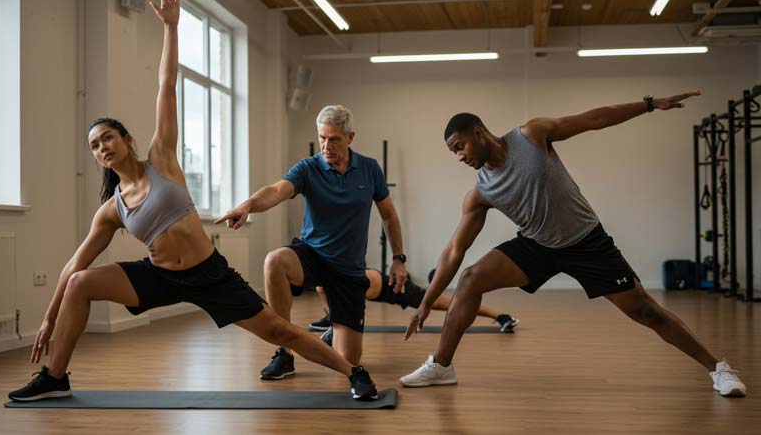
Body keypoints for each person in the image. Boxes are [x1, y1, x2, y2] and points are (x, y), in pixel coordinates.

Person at [8, 0, 377, 403]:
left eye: (108, 137)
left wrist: (171, 26)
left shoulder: (161, 159)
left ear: (127, 140)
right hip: (161, 277)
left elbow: (167, 85)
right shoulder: (112, 209)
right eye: (94, 146)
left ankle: (353, 372)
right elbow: (74, 264)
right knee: (81, 282)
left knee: (279, 331)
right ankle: (55, 377)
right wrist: (48, 316)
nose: (102, 147)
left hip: (210, 274)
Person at [399, 92, 747, 398]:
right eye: (452, 153)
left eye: (459, 146)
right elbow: (454, 251)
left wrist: (650, 104)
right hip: (538, 246)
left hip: (587, 242)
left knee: (646, 311)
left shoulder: (532, 136)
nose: (459, 156)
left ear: (478, 132)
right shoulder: (481, 192)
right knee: (472, 277)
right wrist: (426, 301)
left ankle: (719, 369)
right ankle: (441, 366)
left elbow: (594, 119)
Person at [217, 105, 408, 384]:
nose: (326, 145)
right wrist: (248, 206)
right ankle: (284, 351)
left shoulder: (369, 169)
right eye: (322, 138)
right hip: (313, 255)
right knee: (275, 261)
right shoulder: (308, 168)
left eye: (334, 139)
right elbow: (276, 191)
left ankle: (335, 329)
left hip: (348, 270)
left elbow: (389, 215)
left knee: (348, 361)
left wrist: (399, 258)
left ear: (350, 137)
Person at [308, 268, 519, 346]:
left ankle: (501, 315)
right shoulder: (326, 284)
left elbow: (354, 309)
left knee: (448, 305)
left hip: (400, 291)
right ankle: (329, 319)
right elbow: (325, 292)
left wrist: (336, 327)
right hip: (385, 293)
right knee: (321, 291)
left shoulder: (351, 280)